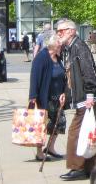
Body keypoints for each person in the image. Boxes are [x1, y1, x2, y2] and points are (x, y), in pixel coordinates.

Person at [57, 19, 96, 181]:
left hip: (87, 97)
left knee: (75, 133)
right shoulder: (70, 48)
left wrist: (90, 94)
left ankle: (78, 167)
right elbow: (71, 75)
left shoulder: (78, 47)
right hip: (84, 97)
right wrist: (66, 93)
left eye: (61, 31)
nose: (59, 34)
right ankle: (92, 167)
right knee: (90, 132)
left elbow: (88, 71)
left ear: (71, 31)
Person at [29, 31, 66, 161]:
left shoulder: (58, 57)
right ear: (52, 45)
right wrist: (33, 96)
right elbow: (34, 78)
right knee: (43, 125)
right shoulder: (41, 57)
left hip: (58, 97)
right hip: (45, 98)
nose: (60, 46)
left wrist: (64, 92)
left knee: (58, 124)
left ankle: (50, 147)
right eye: (59, 44)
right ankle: (39, 152)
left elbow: (62, 76)